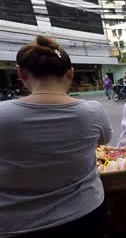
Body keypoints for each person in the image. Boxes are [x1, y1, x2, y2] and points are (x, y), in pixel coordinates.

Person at [0, 36, 112, 237]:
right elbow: (104, 140)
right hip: (85, 215)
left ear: (21, 74)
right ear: (70, 74)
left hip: (16, 225)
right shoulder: (93, 111)